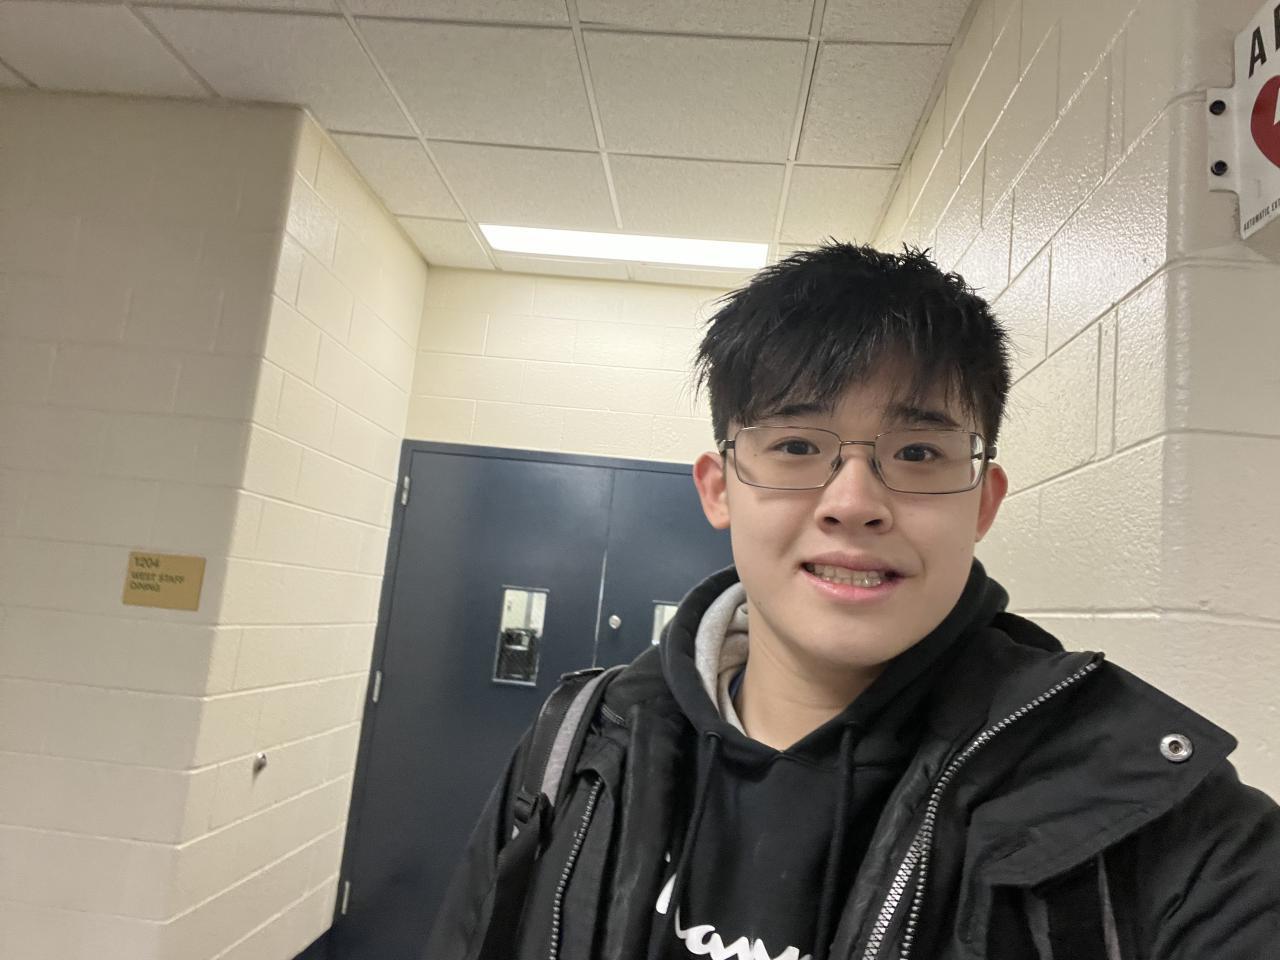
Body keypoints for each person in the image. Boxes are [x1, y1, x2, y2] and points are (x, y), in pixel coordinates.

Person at [424, 243, 1279, 960]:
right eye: (798, 445)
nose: (853, 501)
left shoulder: (1157, 819)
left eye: (917, 453)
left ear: (982, 503)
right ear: (720, 488)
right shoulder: (580, 742)